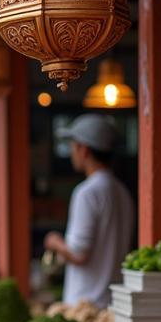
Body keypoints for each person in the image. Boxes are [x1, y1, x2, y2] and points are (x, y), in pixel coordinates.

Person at [44, 114, 135, 308]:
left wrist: (55, 242)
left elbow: (78, 254)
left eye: (72, 146)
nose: (71, 152)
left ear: (83, 149)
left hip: (86, 305)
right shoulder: (122, 191)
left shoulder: (87, 192)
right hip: (114, 303)